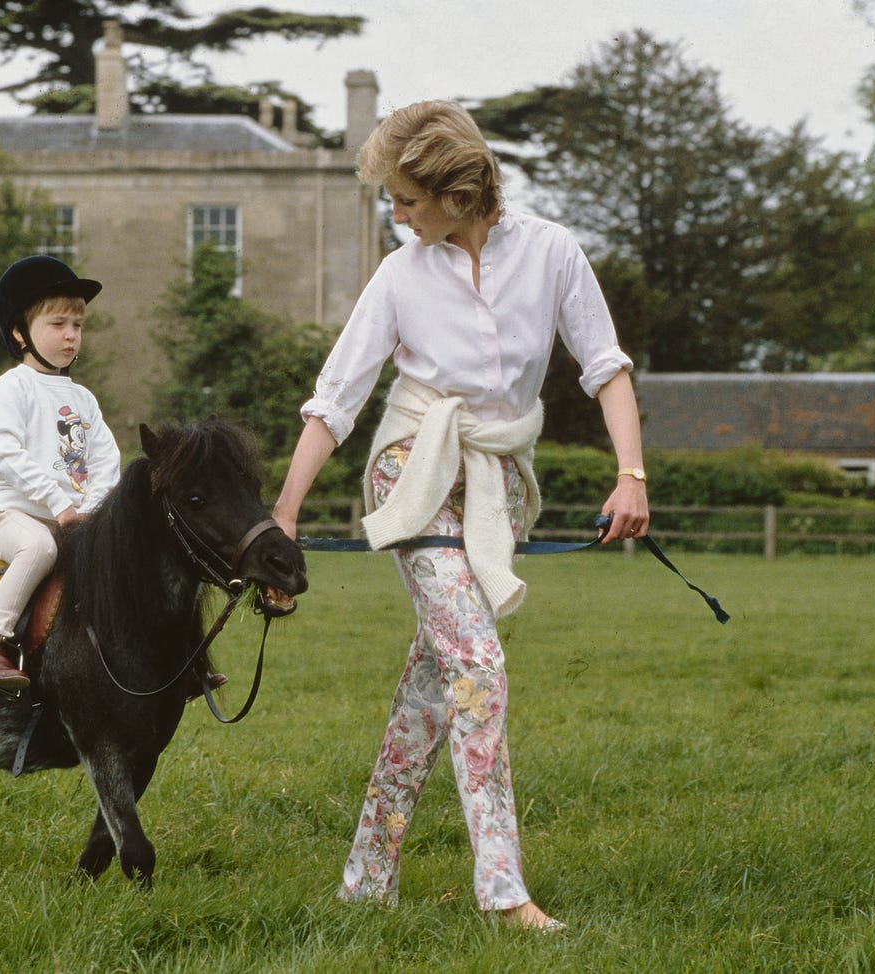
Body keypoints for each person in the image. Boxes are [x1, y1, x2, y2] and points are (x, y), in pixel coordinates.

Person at [270, 101, 650, 931]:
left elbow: (606, 368)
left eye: (406, 200)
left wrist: (632, 475)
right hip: (411, 469)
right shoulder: (400, 274)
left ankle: (366, 877)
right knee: (478, 668)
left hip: (497, 484)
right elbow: (335, 402)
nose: (395, 215)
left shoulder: (552, 253)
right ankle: (504, 893)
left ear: (455, 189)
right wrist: (285, 515)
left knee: (435, 683)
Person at [0, 255, 122, 694]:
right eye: (58, 325)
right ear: (20, 332)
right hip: (15, 514)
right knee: (37, 549)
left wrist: (88, 512)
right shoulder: (9, 389)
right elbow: (5, 454)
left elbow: (107, 463)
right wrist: (59, 504)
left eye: (78, 326)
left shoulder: (84, 399)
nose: (71, 336)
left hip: (74, 519)